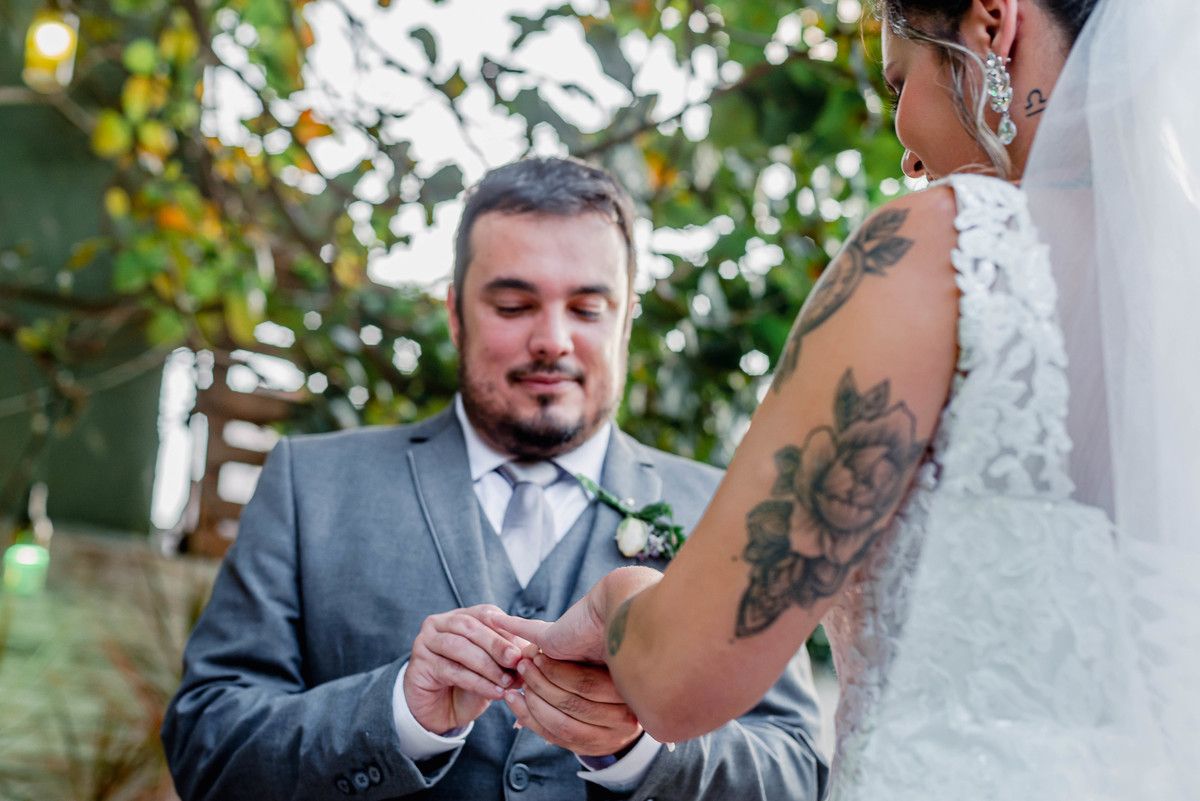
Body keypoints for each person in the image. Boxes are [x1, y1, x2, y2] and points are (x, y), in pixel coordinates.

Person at [494, 1, 1200, 798]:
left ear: (993, 24)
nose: (909, 153)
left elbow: (681, 679)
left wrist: (616, 599)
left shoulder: (937, 251)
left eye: (901, 80)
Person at [161, 157, 828, 801]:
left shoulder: (725, 512)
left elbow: (798, 773)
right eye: (513, 305)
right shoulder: (310, 485)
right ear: (455, 314)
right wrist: (398, 714)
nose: (553, 340)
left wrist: (641, 750)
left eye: (588, 308)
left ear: (626, 319)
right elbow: (206, 744)